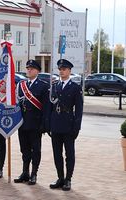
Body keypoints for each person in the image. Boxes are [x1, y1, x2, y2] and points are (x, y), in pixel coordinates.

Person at [49, 59, 83, 191]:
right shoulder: (55, 86)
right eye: (60, 69)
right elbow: (51, 107)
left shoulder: (75, 88)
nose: (61, 71)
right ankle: (60, 178)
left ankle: (68, 179)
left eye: (64, 69)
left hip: (68, 124)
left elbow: (79, 109)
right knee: (57, 153)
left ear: (69, 71)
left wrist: (76, 127)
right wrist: (50, 125)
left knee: (69, 154)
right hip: (56, 124)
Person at [14, 60, 50, 185]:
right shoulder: (21, 85)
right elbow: (16, 104)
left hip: (35, 124)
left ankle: (34, 174)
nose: (29, 70)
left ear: (37, 71)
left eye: (32, 68)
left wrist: (44, 125)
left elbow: (46, 108)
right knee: (24, 149)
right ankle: (25, 172)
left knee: (36, 150)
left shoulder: (43, 86)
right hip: (22, 123)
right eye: (28, 68)